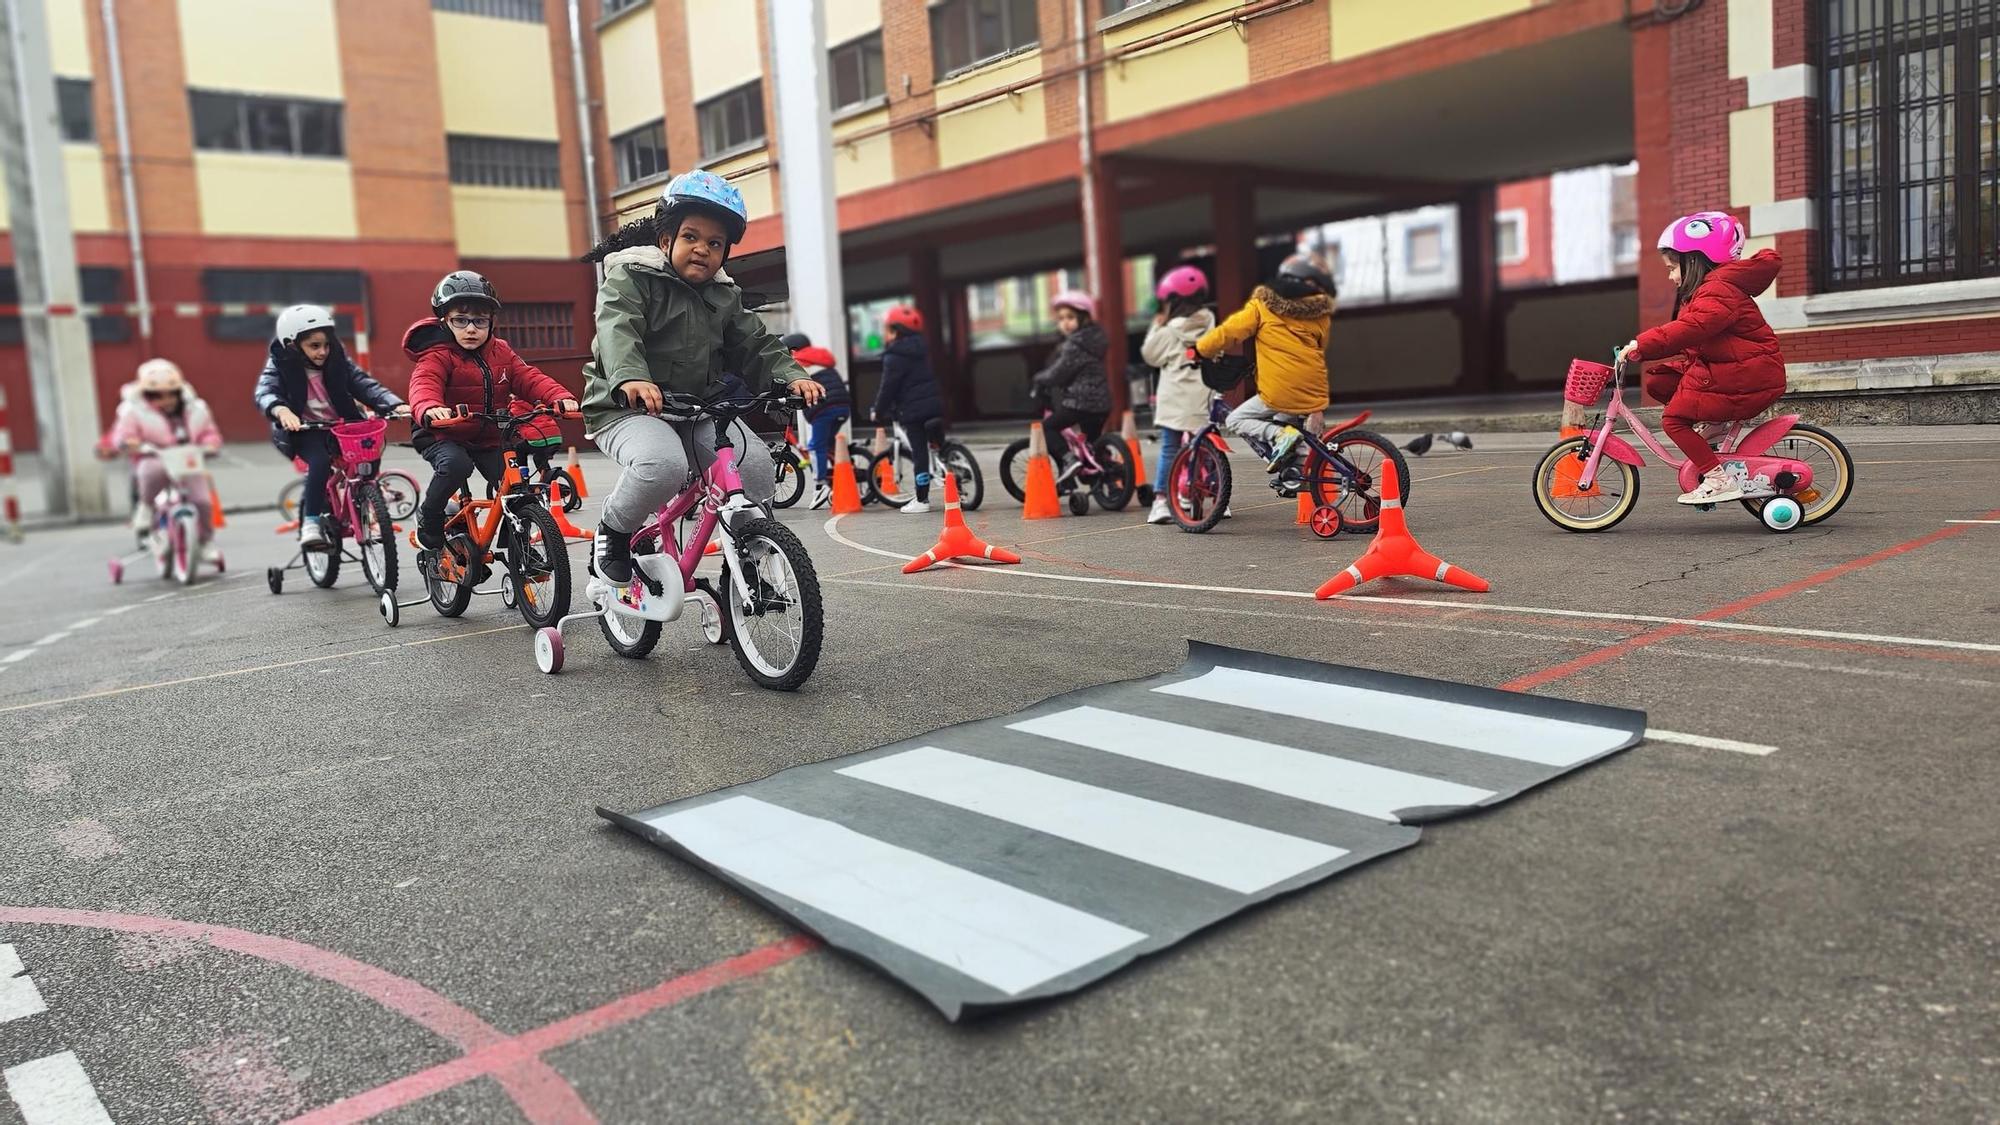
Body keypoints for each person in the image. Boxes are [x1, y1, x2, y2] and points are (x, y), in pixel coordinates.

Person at [578, 170, 822, 584]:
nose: (702, 250)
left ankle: (746, 560)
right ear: (665, 241)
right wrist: (632, 377)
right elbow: (618, 328)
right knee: (663, 465)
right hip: (623, 406)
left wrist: (791, 376)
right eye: (691, 237)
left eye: (715, 243)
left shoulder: (724, 295)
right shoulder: (630, 278)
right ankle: (614, 531)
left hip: (695, 408)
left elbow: (756, 343)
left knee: (756, 464)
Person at [403, 270, 578, 551]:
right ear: (445, 321)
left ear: (491, 323)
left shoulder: (502, 352)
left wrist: (560, 397)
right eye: (461, 320)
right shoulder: (436, 356)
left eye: (480, 321)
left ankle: (518, 550)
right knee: (456, 466)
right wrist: (431, 408)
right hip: (443, 434)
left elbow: (529, 378)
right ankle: (430, 516)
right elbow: (424, 385)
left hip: (488, 435)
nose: (471, 329)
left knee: (517, 487)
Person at [1620, 211, 1787, 505]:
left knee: (1673, 420)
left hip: (1746, 377)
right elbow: (1699, 342)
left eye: (1673, 268)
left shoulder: (1717, 291)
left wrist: (1642, 344)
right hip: (1738, 372)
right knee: (1661, 383)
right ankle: (1716, 425)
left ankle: (1717, 479)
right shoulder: (1710, 291)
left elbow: (1691, 329)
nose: (1671, 276)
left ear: (1694, 260)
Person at [253, 305, 409, 545]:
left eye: (326, 344)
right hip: (304, 430)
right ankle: (312, 522)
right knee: (320, 463)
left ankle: (367, 507)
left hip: (342, 426)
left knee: (369, 453)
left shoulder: (337, 360)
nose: (323, 351)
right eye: (314, 346)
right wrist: (280, 410)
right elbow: (266, 391)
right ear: (293, 345)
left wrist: (394, 405)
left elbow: (364, 384)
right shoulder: (280, 363)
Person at [1194, 254, 1336, 472]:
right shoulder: (1321, 314)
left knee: (1235, 420)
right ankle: (1295, 472)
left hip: (1281, 389)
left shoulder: (1263, 305)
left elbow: (1230, 331)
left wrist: (1201, 349)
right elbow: (1319, 346)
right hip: (1313, 388)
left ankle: (1280, 435)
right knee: (1286, 421)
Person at [105, 359, 224, 561]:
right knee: (150, 473)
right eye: (156, 395)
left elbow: (208, 432)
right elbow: (123, 434)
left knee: (202, 501)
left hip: (187, 459)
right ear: (145, 395)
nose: (166, 400)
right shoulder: (133, 410)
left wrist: (210, 444)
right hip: (153, 456)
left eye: (171, 394)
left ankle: (204, 542)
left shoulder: (195, 408)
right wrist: (129, 443)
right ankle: (146, 506)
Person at [1140, 265, 1218, 524]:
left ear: (1172, 300)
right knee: (1207, 449)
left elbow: (1150, 355)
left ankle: (1161, 501)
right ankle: (1218, 499)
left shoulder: (1170, 330)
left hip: (1175, 399)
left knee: (1170, 449)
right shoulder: (1209, 321)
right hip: (1204, 397)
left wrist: (1156, 324)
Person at [1031, 290, 1113, 482]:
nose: (1065, 323)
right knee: (1093, 446)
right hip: (1102, 403)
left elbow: (1059, 372)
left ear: (1083, 318)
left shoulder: (1074, 344)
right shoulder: (1096, 339)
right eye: (1061, 319)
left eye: (1070, 317)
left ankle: (1069, 460)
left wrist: (1039, 379)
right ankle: (1109, 479)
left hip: (1080, 402)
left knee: (1046, 428)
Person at [872, 305, 947, 514]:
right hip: (934, 403)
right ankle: (953, 470)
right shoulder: (923, 349)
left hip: (912, 411)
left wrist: (877, 411)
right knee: (939, 445)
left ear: (895, 331)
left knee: (920, 452)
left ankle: (922, 500)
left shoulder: (894, 355)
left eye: (887, 329)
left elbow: (888, 388)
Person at [783, 332, 850, 509]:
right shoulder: (819, 358)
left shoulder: (799, 362)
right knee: (828, 446)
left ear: (794, 350)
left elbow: (792, 384)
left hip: (825, 408)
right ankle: (842, 475)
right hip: (843, 405)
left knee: (815, 446)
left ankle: (820, 487)